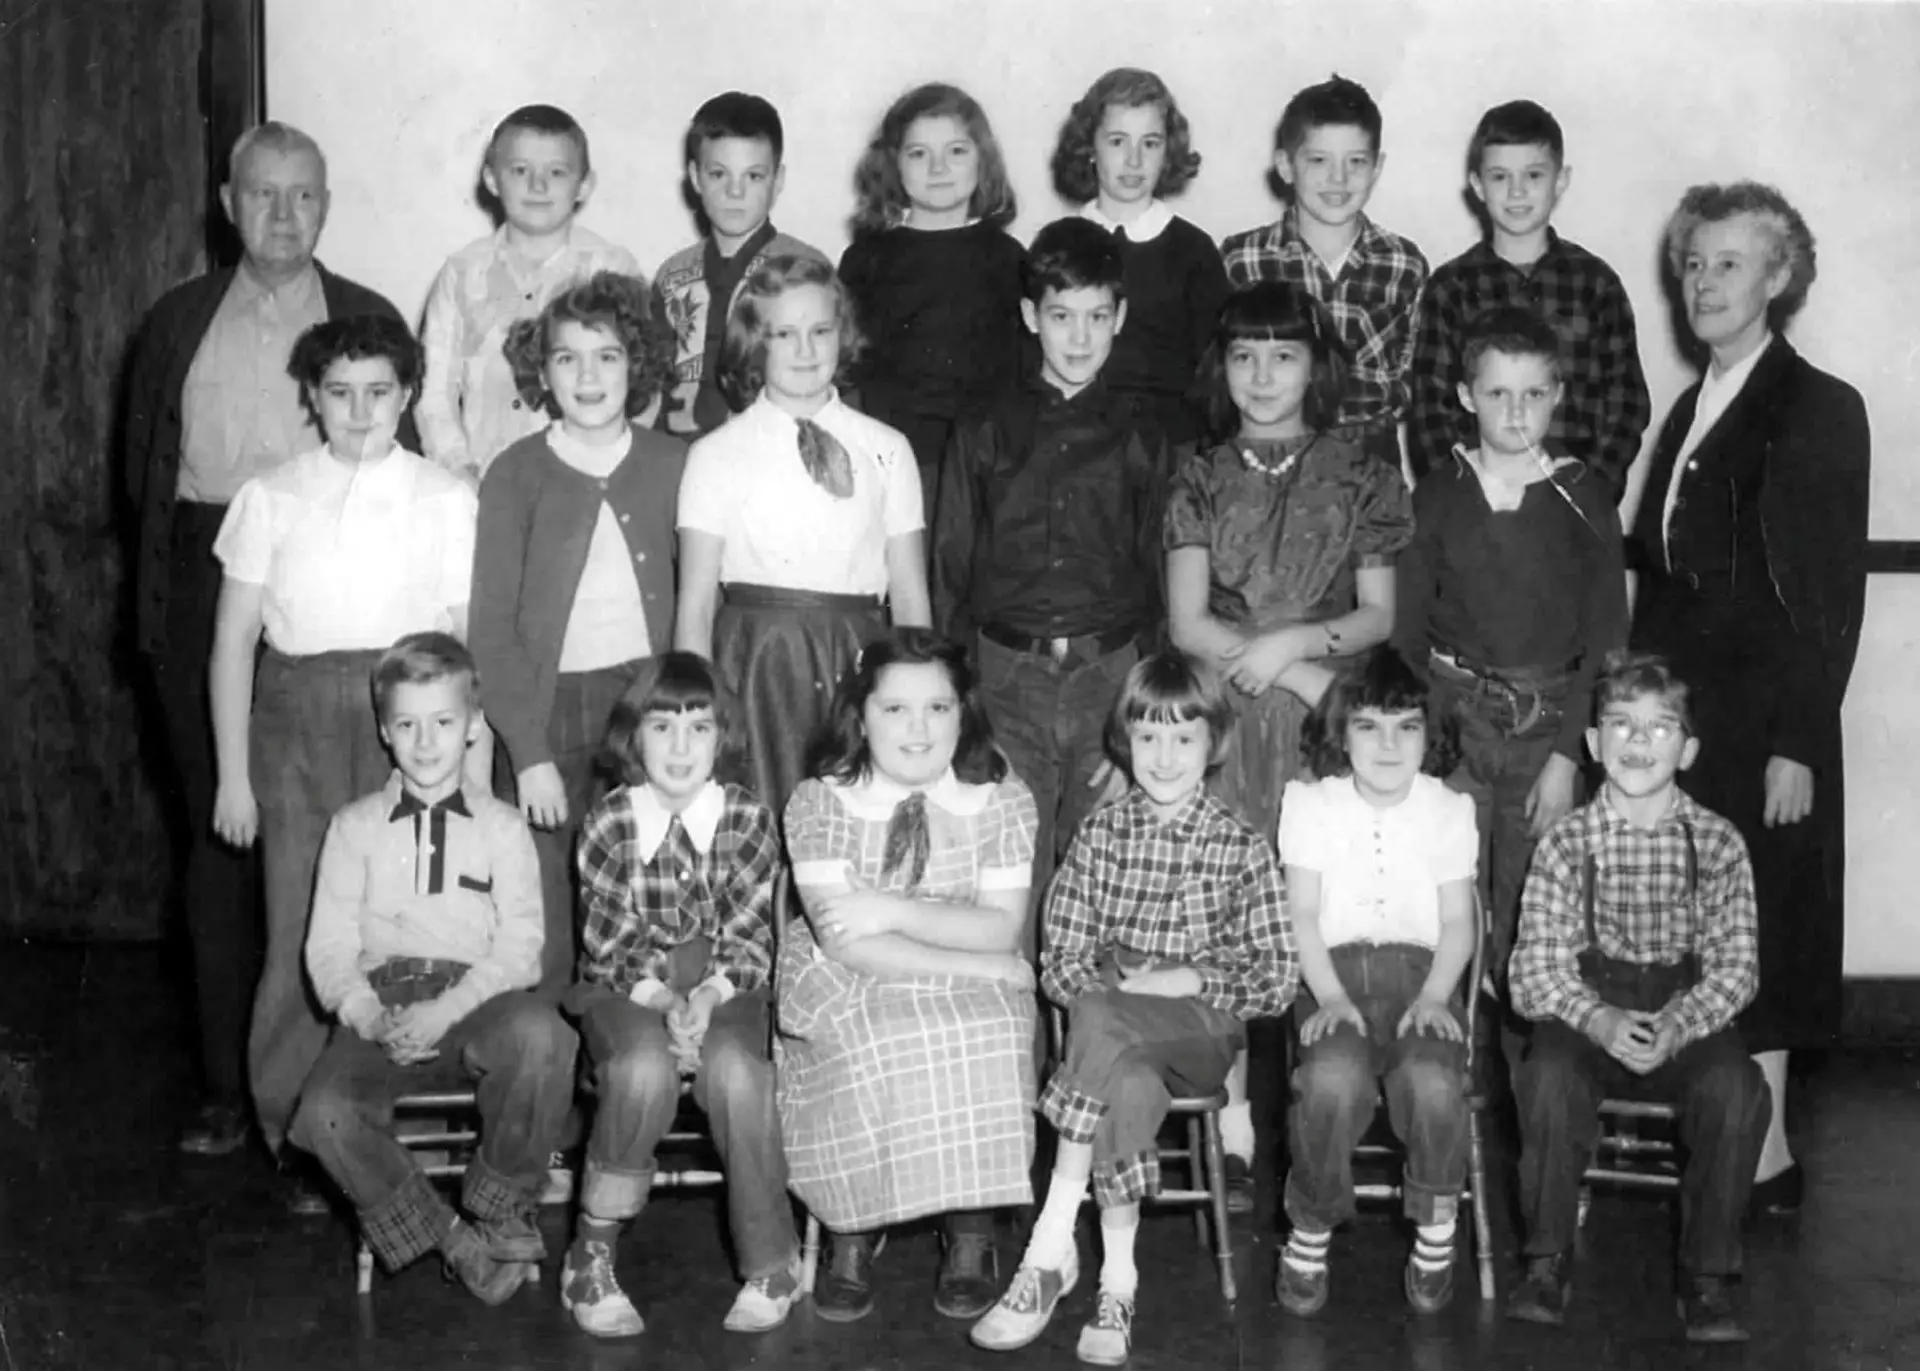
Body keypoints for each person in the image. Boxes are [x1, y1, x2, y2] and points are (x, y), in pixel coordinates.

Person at [122, 120, 413, 1161]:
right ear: (227, 203)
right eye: (262, 194)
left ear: (324, 206)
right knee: (221, 831)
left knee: (334, 845)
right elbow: (141, 478)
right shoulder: (176, 320)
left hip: (325, 584)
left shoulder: (366, 316)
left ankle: (330, 1097)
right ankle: (223, 1087)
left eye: (303, 196)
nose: (283, 215)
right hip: (207, 581)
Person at [1628, 182, 1870, 1215]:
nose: (1705, 282)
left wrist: (1798, 742)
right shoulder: (1695, 404)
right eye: (1694, 263)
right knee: (1706, 921)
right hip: (1694, 719)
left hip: (1769, 721)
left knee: (1767, 921)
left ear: (1779, 277)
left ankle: (1765, 1163)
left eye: (1729, 263)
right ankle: (1725, 1142)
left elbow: (1827, 598)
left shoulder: (1818, 406)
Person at [207, 314, 476, 1176]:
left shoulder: (445, 496)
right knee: (301, 918)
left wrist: (468, 765)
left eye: (379, 392)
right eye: (339, 393)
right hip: (296, 719)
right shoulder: (271, 495)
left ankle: (391, 1123)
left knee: (409, 915)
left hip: (413, 714)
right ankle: (292, 1129)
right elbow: (232, 642)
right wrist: (233, 777)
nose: (360, 412)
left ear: (408, 395)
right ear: (312, 398)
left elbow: (464, 643)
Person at [971, 653, 1294, 1365]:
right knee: (1125, 1080)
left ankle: (1048, 1249)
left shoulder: (1241, 846)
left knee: (1099, 1019)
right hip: (1115, 1040)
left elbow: (1276, 981)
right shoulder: (1100, 834)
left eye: (1183, 737)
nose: (1164, 756)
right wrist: (1116, 989)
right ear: (1124, 740)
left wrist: (1187, 979)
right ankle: (1118, 1285)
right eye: (1148, 736)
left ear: (1214, 743)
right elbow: (1060, 961)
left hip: (1203, 1035)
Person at [289, 633, 576, 1305]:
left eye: (443, 722)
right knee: (323, 1112)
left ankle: (501, 1203)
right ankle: (452, 1238)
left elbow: (522, 948)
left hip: (474, 1004)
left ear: (473, 725)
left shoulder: (502, 827)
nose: (425, 742)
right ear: (383, 731)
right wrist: (368, 1016)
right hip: (382, 1005)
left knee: (546, 1037)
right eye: (407, 725)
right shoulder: (354, 826)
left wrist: (446, 1009)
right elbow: (327, 949)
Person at [1506, 652, 1767, 1344]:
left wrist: (1680, 1021)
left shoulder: (1718, 842)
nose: (1639, 741)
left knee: (1737, 1088)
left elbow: (1738, 968)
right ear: (1594, 743)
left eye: (1660, 727)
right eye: (1621, 724)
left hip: (1685, 1013)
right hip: (1590, 1013)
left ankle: (1707, 1274)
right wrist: (1598, 1018)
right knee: (1547, 1076)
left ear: (1688, 749)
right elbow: (1532, 972)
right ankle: (1547, 1258)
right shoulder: (1566, 842)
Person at [779, 629, 1039, 1324]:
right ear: (861, 717)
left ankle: (971, 1228)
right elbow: (847, 943)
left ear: (963, 713)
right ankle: (852, 1227)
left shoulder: (999, 797)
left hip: (953, 963)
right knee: (873, 1035)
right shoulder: (821, 801)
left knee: (992, 1026)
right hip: (851, 973)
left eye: (938, 708)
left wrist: (890, 909)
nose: (918, 729)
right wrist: (977, 963)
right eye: (895, 709)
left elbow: (1001, 927)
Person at [932, 217, 1170, 936]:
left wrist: (1142, 726)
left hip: (1108, 675)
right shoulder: (983, 427)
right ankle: (1017, 1013)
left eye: (1098, 317)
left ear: (1120, 317)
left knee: (1104, 870)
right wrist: (961, 701)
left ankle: (1091, 1014)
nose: (1080, 337)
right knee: (1013, 872)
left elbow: (1158, 577)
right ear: (1031, 315)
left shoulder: (1144, 433)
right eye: (1062, 316)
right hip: (1009, 677)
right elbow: (951, 570)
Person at [560, 653, 795, 1336]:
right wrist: (666, 1003)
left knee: (737, 1072)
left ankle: (770, 1260)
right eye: (662, 727)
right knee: (642, 1068)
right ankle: (591, 1253)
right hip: (626, 988)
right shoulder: (609, 822)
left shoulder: (747, 816)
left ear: (724, 737)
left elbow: (749, 936)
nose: (681, 747)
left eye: (699, 728)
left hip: (727, 986)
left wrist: (709, 998)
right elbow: (611, 945)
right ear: (634, 737)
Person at [1393, 306, 1626, 986]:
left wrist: (1566, 756)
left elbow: (1607, 637)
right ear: (1467, 397)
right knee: (1447, 896)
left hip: (1545, 730)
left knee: (1534, 909)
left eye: (1533, 393)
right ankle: (1453, 1045)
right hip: (1454, 720)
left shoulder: (1584, 496)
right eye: (1497, 393)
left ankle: (1519, 1051)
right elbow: (1407, 634)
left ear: (1558, 395)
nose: (1516, 411)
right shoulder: (1438, 495)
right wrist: (1422, 738)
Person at [469, 272, 685, 997]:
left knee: (642, 894)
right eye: (567, 358)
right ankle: (552, 1060)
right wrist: (527, 753)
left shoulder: (674, 464)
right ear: (543, 371)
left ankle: (636, 1052)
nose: (587, 377)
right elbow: (491, 629)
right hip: (547, 709)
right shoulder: (515, 473)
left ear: (637, 364)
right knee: (546, 908)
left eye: (608, 356)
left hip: (645, 705)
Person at [674, 255, 931, 820]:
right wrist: (695, 716)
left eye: (821, 331)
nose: (806, 350)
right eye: (784, 334)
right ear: (754, 343)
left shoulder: (888, 449)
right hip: (754, 663)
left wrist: (917, 701)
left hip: (856, 659)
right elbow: (694, 605)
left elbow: (911, 598)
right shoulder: (714, 455)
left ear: (844, 335)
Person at [1272, 648, 1477, 1319]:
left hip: (1424, 981)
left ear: (1429, 733)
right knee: (1330, 1080)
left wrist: (1438, 994)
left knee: (1434, 1080)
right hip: (1332, 978)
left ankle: (1436, 1223)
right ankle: (1311, 1223)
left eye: (1406, 727)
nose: (1389, 745)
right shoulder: (1310, 803)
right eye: (1369, 726)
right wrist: (1330, 995)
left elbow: (1459, 921)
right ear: (1342, 732)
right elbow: (1301, 916)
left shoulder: (1449, 808)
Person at [1408, 100, 1650, 491]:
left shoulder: (1596, 284)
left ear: (1561, 180)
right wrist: (1466, 497)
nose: (1517, 191)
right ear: (1478, 186)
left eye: (1533, 175)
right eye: (1500, 177)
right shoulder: (1451, 289)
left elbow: (1626, 404)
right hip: (1477, 502)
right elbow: (1430, 412)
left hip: (1575, 499)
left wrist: (1590, 491)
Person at [418, 104, 639, 482]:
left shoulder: (611, 269)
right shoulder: (461, 273)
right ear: (491, 179)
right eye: (520, 170)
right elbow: (434, 393)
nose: (538, 186)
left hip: (585, 481)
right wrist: (459, 471)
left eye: (557, 172)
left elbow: (640, 383)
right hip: (483, 483)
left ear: (584, 185)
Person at [1220, 75, 1426, 473]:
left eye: (1356, 161)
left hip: (1370, 456)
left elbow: (1409, 376)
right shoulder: (1243, 261)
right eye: (1318, 160)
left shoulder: (1403, 264)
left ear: (1377, 167)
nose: (1338, 178)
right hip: (1267, 451)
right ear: (1286, 166)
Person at [840, 82, 1027, 508]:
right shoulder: (866, 260)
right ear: (893, 164)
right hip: (893, 463)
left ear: (983, 159)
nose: (938, 168)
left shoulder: (1008, 259)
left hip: (986, 467)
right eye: (919, 154)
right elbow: (848, 369)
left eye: (956, 151)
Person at [1052, 67, 1230, 448]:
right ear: (1089, 148)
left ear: (1168, 152)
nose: (1133, 161)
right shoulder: (1059, 243)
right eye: (1117, 141)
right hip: (1073, 440)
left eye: (1150, 143)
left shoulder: (1194, 251)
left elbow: (1214, 377)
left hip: (1169, 445)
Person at [655, 92, 828, 438]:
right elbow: (653, 379)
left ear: (778, 180)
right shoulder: (672, 275)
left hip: (772, 447)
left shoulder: (806, 270)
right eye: (719, 174)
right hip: (681, 450)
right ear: (695, 177)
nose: (735, 192)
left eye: (754, 176)